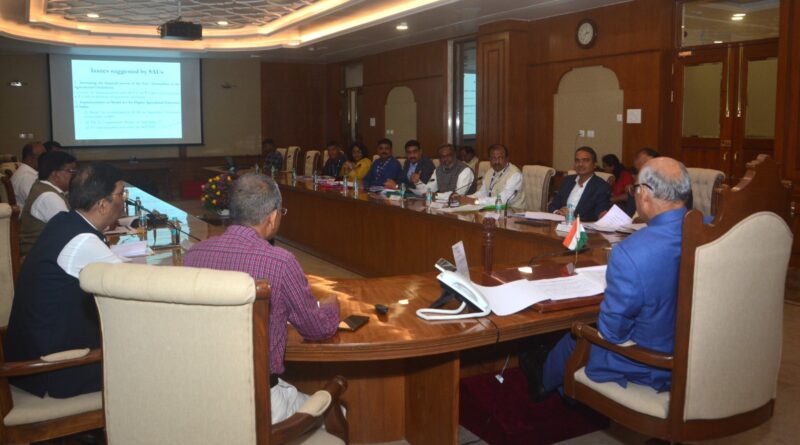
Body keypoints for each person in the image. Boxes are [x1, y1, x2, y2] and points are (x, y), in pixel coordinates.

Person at [526, 157, 691, 402]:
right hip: (696, 356)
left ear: (644, 193)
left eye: (635, 189)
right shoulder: (715, 234)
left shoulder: (631, 251)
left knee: (577, 335)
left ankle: (543, 384)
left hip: (648, 362)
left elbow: (612, 333)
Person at [184, 173, 340, 424]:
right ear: (273, 217)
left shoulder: (194, 255)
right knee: (339, 413)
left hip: (203, 394)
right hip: (260, 401)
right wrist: (332, 307)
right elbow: (316, 329)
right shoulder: (280, 262)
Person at [5, 163, 127, 398]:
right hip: (55, 368)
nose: (124, 200)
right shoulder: (83, 240)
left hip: (33, 356)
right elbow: (135, 286)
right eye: (121, 194)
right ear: (102, 204)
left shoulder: (64, 221)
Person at [19, 151, 77, 255]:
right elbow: (70, 233)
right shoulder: (49, 197)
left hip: (44, 254)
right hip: (39, 260)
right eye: (70, 171)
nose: (74, 175)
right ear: (55, 175)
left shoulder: (43, 187)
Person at [548, 146, 611, 221]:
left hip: (582, 229)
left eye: (585, 160)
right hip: (559, 224)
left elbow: (597, 216)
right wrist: (557, 212)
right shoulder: (567, 181)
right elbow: (553, 205)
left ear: (594, 165)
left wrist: (571, 217)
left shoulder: (602, 187)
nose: (580, 164)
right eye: (577, 160)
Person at [467, 144, 526, 209]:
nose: (497, 161)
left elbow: (502, 200)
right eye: (493, 158)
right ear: (489, 159)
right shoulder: (490, 172)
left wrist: (477, 201)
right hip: (493, 209)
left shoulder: (515, 174)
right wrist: (466, 198)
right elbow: (483, 192)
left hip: (513, 212)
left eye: (500, 158)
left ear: (507, 159)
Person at [10, 141, 46, 209]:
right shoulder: (27, 177)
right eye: (42, 157)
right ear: (30, 158)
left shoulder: (26, 172)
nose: (46, 160)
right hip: (28, 218)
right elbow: (38, 204)